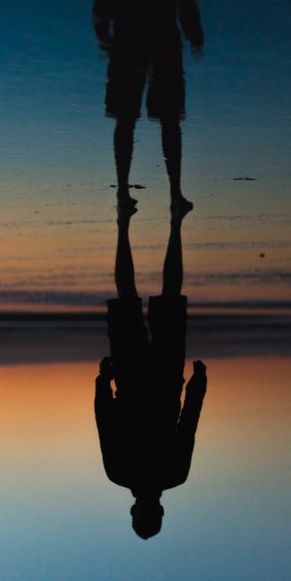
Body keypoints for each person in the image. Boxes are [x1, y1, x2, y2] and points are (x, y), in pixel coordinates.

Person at [92, 0, 204, 217]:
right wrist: (194, 31)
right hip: (161, 39)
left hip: (129, 38)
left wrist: (102, 29)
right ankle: (173, 194)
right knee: (168, 118)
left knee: (126, 118)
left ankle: (126, 194)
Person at [94, 205, 207, 538]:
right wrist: (103, 382)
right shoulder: (119, 473)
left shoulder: (173, 475)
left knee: (159, 295)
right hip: (136, 376)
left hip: (161, 375)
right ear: (135, 511)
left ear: (157, 510)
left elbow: (189, 421)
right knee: (130, 296)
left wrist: (198, 385)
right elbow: (105, 420)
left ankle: (170, 222)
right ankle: (127, 224)